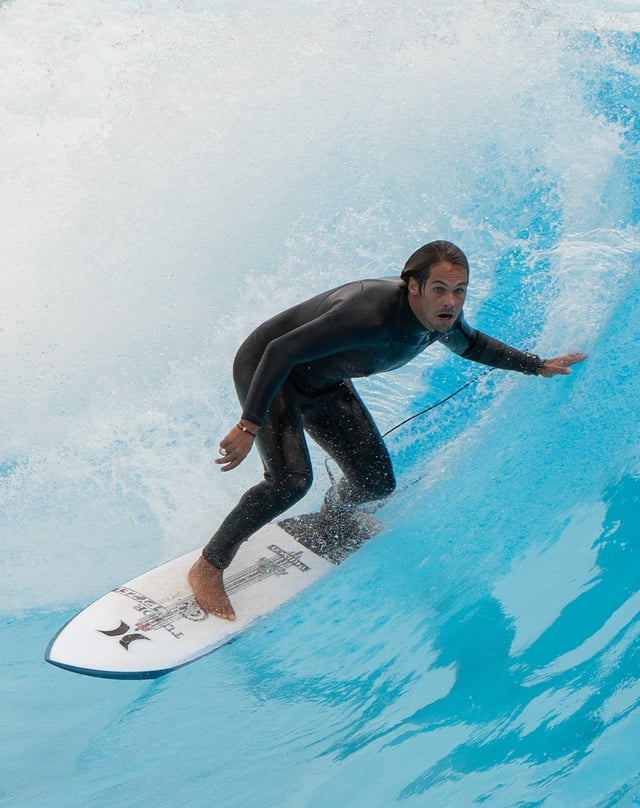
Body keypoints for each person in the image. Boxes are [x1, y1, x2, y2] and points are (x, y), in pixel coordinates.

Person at [189, 240, 586, 619]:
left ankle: (334, 516)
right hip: (270, 369)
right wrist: (248, 424)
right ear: (413, 286)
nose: (450, 301)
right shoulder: (369, 313)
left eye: (460, 290)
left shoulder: (441, 318)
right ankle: (209, 564)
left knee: (376, 483)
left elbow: (474, 345)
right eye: (440, 289)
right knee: (291, 481)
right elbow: (281, 350)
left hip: (324, 381)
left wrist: (536, 365)